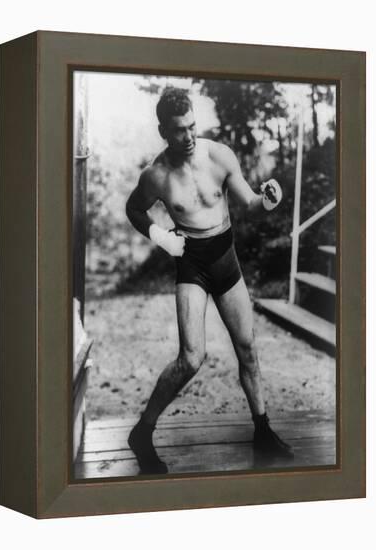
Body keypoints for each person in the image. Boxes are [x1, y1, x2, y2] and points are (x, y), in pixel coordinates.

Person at [125, 87, 293, 475]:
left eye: (191, 126)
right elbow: (134, 209)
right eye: (178, 130)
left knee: (248, 348)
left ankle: (263, 431)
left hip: (225, 256)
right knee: (190, 358)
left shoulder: (218, 155)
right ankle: (142, 432)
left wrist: (269, 197)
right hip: (191, 263)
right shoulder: (156, 176)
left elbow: (250, 201)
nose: (187, 137)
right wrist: (161, 236)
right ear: (163, 131)